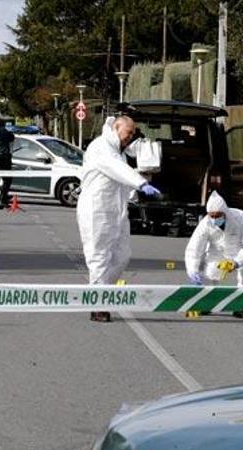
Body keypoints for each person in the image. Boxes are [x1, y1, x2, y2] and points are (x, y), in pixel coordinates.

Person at [76, 115, 161, 322]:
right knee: (99, 259)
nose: (130, 137)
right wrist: (140, 183)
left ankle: (103, 293)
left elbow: (118, 180)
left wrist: (136, 192)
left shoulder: (118, 152)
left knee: (122, 256)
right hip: (96, 211)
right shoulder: (101, 147)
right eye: (128, 132)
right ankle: (98, 306)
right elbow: (116, 169)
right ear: (116, 127)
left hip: (117, 212)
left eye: (133, 133)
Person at [185, 191, 243, 318]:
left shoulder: (241, 218)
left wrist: (236, 262)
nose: (214, 219)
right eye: (211, 216)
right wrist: (193, 272)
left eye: (218, 215)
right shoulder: (205, 223)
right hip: (218, 251)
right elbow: (194, 249)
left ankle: (239, 306)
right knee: (211, 274)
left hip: (241, 251)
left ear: (225, 212)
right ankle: (208, 304)